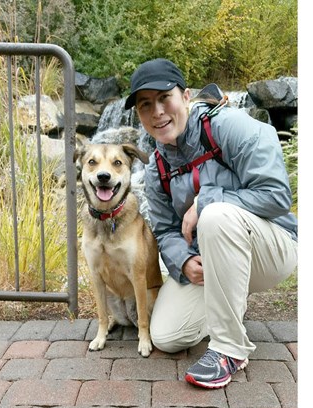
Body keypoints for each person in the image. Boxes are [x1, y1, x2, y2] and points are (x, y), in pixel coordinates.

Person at [124, 58, 298, 389]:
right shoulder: (155, 169)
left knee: (215, 215)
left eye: (164, 98)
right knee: (166, 335)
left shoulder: (230, 126)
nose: (157, 112)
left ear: (186, 96)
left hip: (274, 248)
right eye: (146, 105)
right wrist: (184, 261)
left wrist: (206, 202)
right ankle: (229, 303)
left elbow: (276, 196)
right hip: (211, 261)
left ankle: (229, 349)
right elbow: (164, 231)